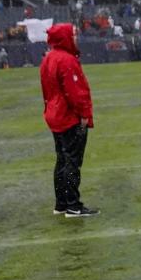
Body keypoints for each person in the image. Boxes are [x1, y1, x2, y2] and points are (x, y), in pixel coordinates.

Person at [40, 24, 98, 217]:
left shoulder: (48, 58)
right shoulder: (66, 60)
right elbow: (75, 93)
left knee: (62, 160)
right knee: (72, 161)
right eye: (73, 35)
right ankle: (73, 205)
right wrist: (84, 115)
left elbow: (47, 90)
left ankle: (62, 203)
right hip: (67, 117)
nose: (76, 38)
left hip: (54, 115)